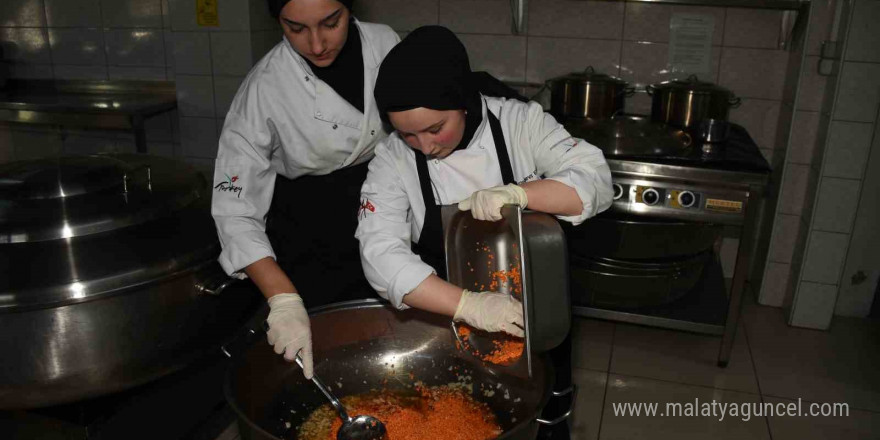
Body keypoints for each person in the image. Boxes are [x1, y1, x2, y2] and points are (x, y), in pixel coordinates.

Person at [355, 26, 613, 440]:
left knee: (542, 419)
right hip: (448, 324)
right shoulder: (392, 159)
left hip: (536, 322)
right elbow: (379, 254)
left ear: (463, 102)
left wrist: (519, 194)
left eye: (435, 128)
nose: (423, 145)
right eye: (407, 133)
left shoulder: (519, 124)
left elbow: (594, 181)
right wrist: (471, 306)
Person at [210, 0, 399, 380]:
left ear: (350, 9)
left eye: (331, 23)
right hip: (311, 235)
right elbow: (234, 206)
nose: (316, 45)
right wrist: (281, 297)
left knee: (390, 347)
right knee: (329, 362)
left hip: (387, 212)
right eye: (295, 28)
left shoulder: (385, 44)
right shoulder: (265, 86)